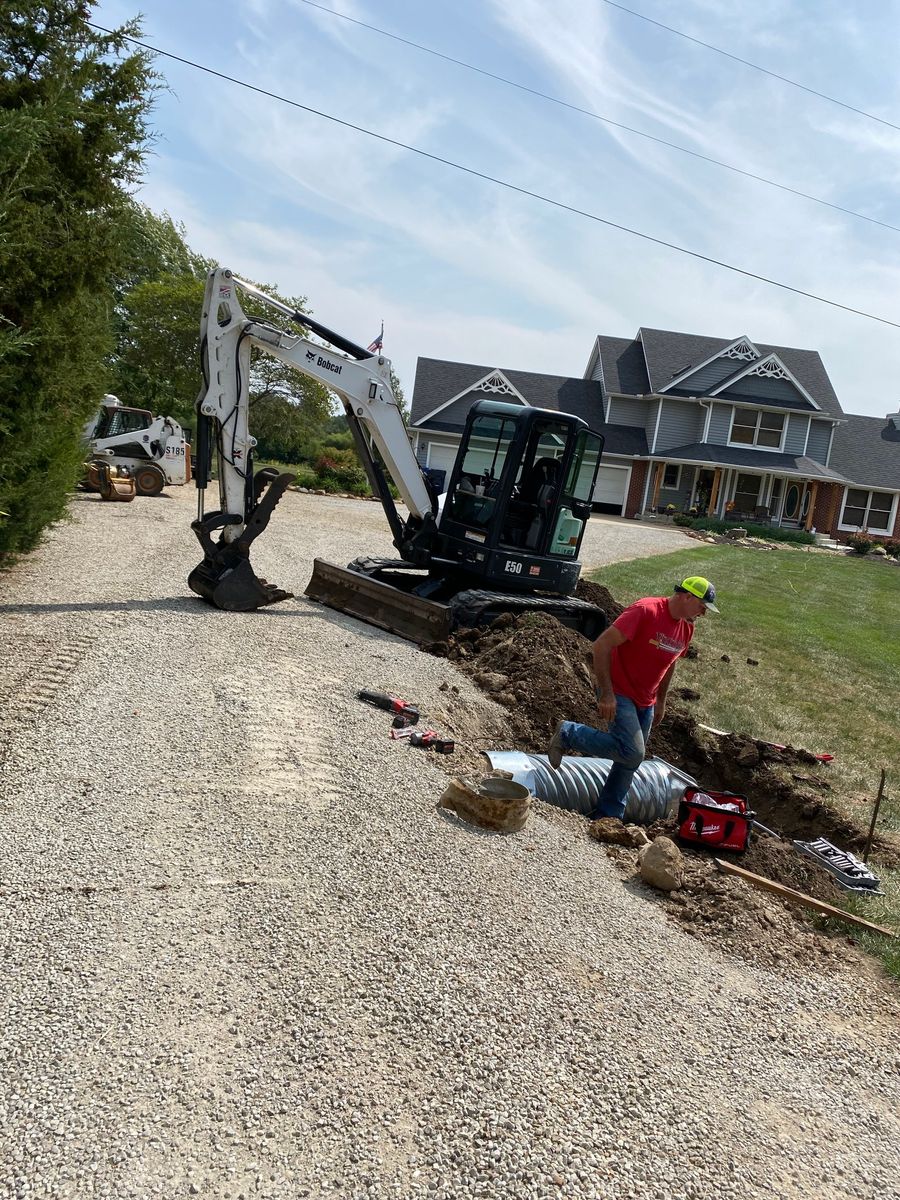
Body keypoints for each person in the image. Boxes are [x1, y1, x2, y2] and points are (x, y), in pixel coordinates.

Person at [547, 576, 719, 821]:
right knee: (633, 753)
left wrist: (661, 700)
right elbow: (601, 646)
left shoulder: (686, 626)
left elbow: (670, 664)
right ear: (687, 596)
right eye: (702, 606)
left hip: (645, 700)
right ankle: (569, 733)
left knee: (628, 762)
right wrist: (606, 694)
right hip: (619, 691)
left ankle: (608, 815)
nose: (704, 613)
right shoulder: (645, 611)